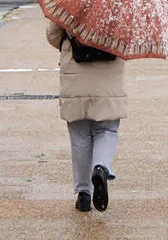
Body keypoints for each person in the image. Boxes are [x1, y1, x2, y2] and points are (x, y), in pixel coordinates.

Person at [46, 20, 127, 213]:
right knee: (107, 129)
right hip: (108, 77)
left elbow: (53, 36)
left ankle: (83, 194)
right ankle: (101, 167)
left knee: (80, 138)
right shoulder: (118, 4)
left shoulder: (70, 1)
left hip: (75, 73)